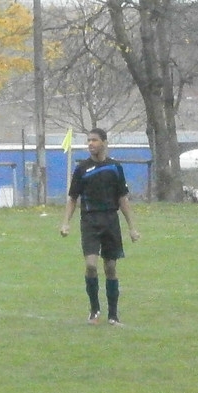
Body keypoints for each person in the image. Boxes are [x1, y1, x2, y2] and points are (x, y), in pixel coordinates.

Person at [60, 128, 140, 325]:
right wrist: (66, 223)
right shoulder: (82, 169)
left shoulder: (115, 167)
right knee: (90, 266)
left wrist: (132, 227)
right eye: (88, 140)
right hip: (90, 221)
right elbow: (73, 198)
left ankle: (113, 315)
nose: (90, 144)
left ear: (104, 142)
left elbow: (123, 199)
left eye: (94, 140)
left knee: (111, 268)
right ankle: (94, 310)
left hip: (110, 221)